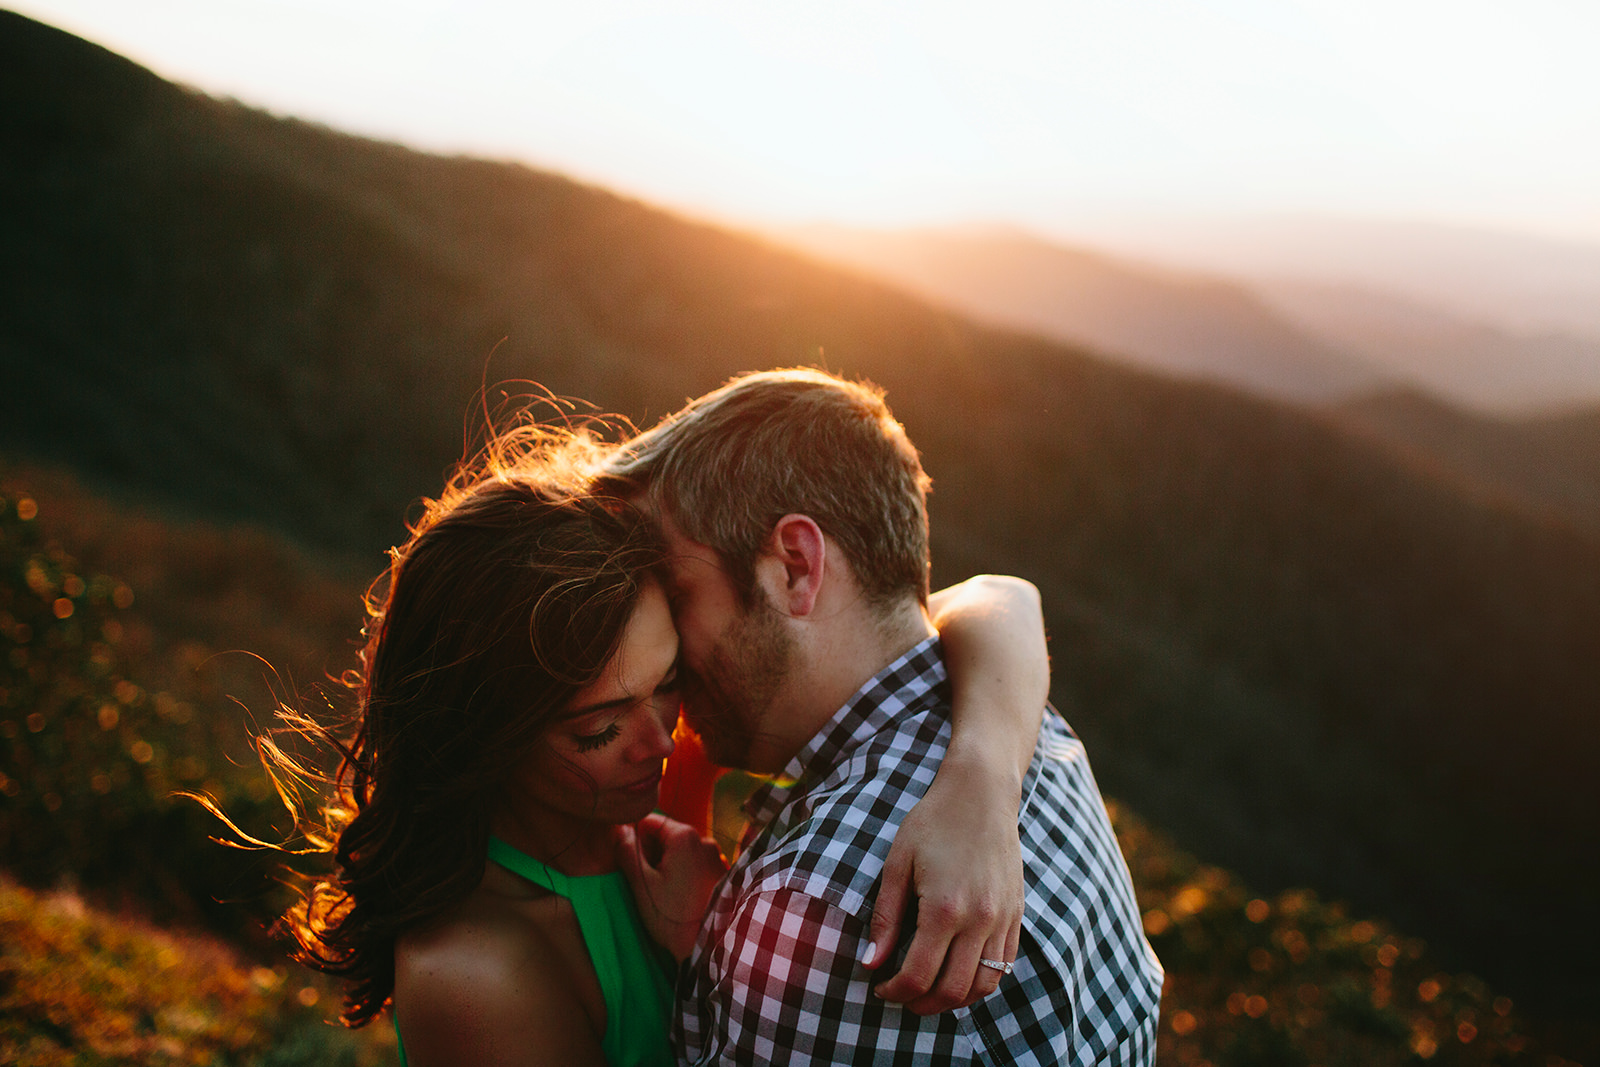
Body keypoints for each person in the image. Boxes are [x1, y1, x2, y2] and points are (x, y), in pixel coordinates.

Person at [253, 415, 1053, 1066]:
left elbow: (997, 599)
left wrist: (980, 778)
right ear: (484, 739)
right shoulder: (476, 971)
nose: (666, 740)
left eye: (669, 680)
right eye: (600, 726)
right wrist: (704, 952)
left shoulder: (652, 784)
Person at [603, 368, 1165, 1066]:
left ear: (794, 567)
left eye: (678, 591)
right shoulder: (1033, 733)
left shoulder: (822, 902)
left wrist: (708, 952)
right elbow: (998, 593)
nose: (665, 653)